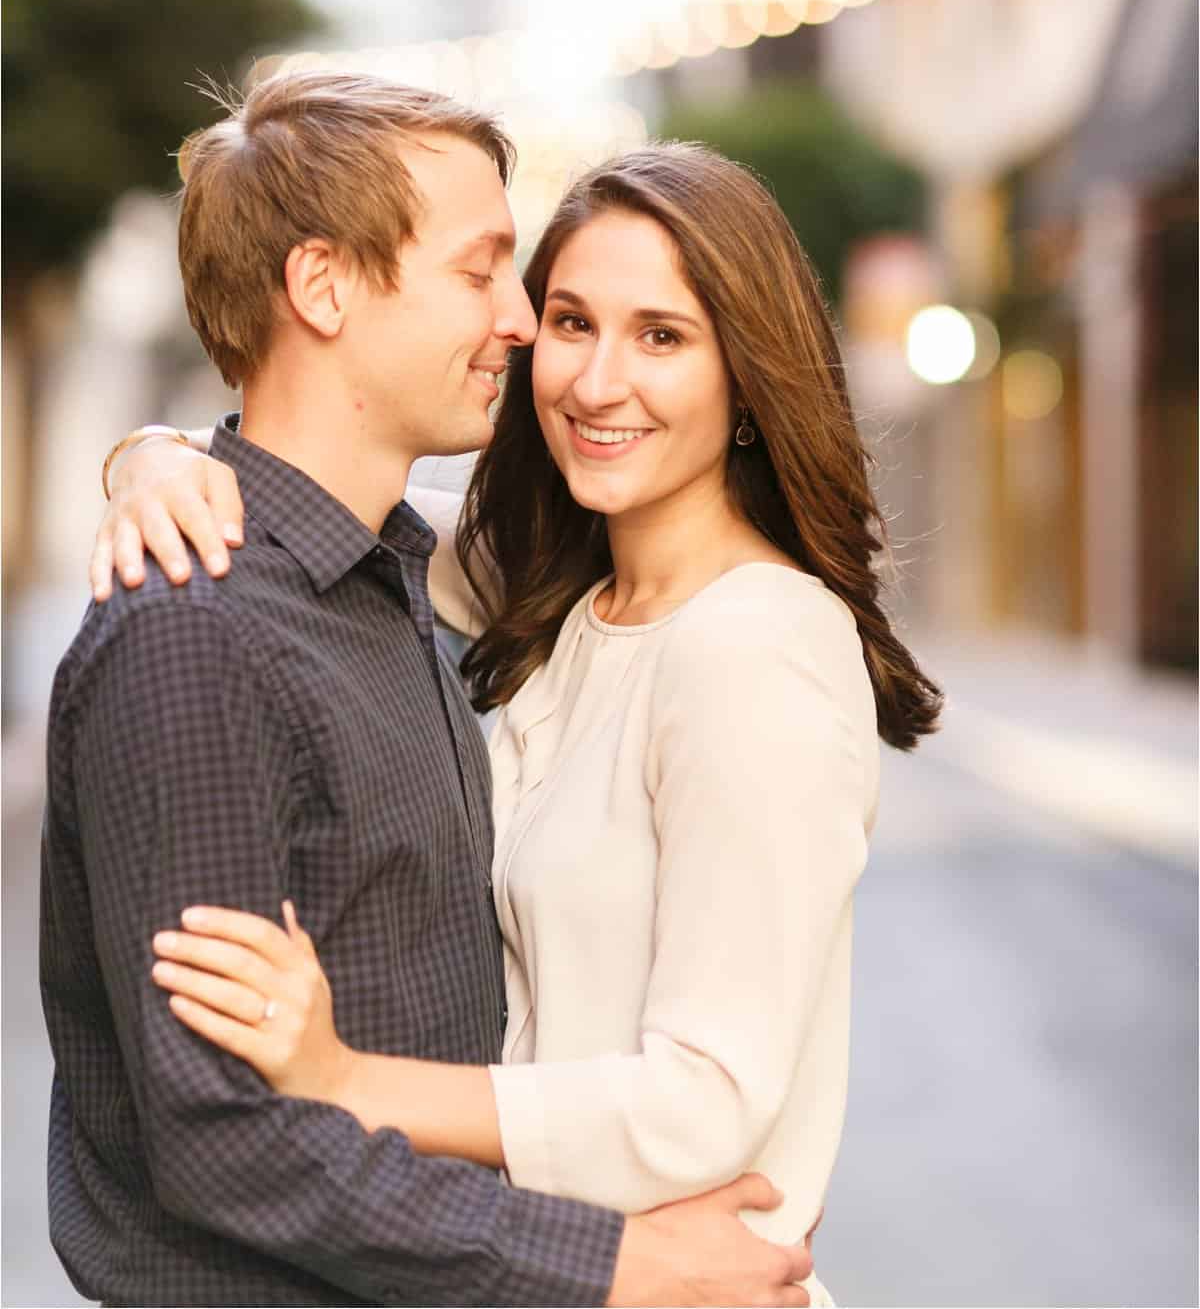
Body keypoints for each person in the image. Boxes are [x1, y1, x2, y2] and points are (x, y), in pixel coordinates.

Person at [90, 97, 943, 1305]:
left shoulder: (753, 642)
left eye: (662, 337)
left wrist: (349, 1079)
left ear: (745, 375)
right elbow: (312, 509)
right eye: (570, 320)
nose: (596, 379)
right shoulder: (554, 588)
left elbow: (708, 1091)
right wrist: (149, 456)